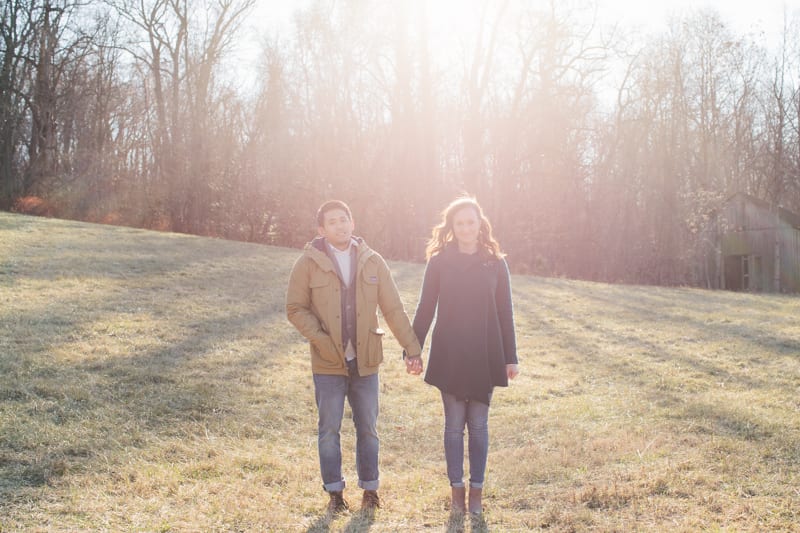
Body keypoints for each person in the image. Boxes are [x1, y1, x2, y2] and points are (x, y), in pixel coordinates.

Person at [286, 200, 423, 516]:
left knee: (368, 429)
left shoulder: (373, 262)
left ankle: (371, 490)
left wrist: (412, 349)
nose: (340, 226)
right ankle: (335, 494)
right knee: (329, 430)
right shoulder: (308, 263)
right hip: (328, 362)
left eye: (344, 219)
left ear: (353, 222)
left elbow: (393, 309)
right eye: (332, 222)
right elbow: (295, 308)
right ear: (322, 230)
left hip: (366, 362)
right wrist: (321, 340)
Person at [407, 196, 520, 516]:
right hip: (450, 351)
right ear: (452, 228)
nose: (466, 228)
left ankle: (476, 495)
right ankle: (457, 492)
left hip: (486, 352)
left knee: (480, 426)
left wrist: (511, 357)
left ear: (480, 224)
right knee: (454, 426)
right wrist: (412, 350)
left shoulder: (496, 262)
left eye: (471, 222)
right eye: (460, 223)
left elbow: (504, 312)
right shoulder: (439, 262)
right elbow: (425, 307)